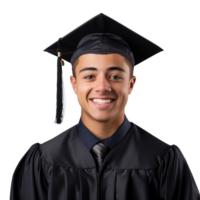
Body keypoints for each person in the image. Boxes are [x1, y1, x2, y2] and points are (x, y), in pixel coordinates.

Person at [9, 12, 200, 200]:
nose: (102, 87)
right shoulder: (43, 160)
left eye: (115, 76)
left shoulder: (164, 160)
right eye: (89, 76)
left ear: (132, 84)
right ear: (73, 84)